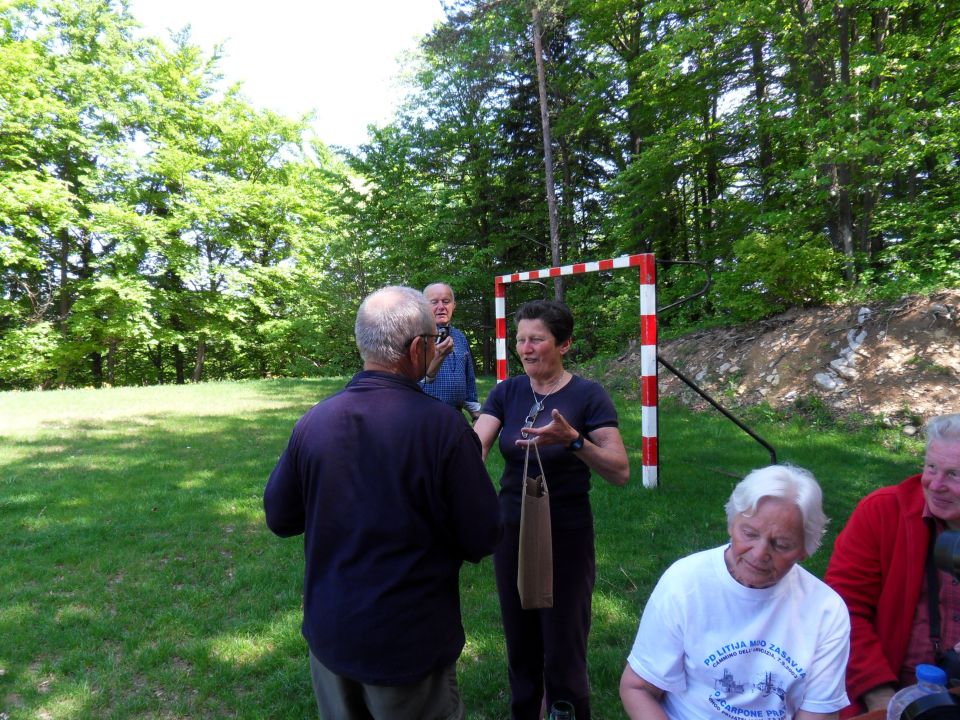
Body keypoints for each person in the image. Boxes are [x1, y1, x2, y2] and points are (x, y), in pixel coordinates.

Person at [263, 285, 502, 720]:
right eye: (431, 341)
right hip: (409, 647)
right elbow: (483, 535)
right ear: (417, 348)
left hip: (331, 636)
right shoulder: (444, 430)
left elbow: (281, 517)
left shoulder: (314, 422)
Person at [473, 299, 630, 720]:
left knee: (563, 645)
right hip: (511, 530)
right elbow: (475, 446)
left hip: (566, 534)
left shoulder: (588, 395)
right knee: (520, 642)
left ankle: (567, 711)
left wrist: (573, 441)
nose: (525, 348)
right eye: (520, 339)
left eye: (537, 339)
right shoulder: (506, 392)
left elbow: (619, 470)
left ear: (564, 344)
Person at [620, 464, 851, 720]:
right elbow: (638, 688)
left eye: (781, 544)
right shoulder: (686, 583)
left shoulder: (826, 611)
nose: (759, 553)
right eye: (749, 533)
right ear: (731, 524)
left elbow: (819, 714)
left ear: (805, 550)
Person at [825, 413, 960, 717]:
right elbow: (841, 611)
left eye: (954, 474)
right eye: (931, 468)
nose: (936, 484)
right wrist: (880, 698)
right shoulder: (883, 513)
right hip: (891, 694)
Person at [419, 282, 482, 422]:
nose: (441, 307)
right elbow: (408, 384)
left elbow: (469, 380)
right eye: (434, 302)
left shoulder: (460, 337)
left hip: (455, 417)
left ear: (454, 305)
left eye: (446, 301)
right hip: (424, 418)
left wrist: (476, 414)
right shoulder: (415, 338)